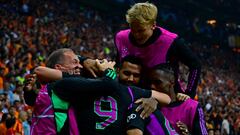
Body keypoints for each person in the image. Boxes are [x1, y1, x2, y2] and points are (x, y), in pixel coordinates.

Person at [34, 59, 171, 135]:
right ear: (117, 71)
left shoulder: (132, 91)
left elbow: (166, 98)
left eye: (136, 76)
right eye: (127, 73)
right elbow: (42, 72)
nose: (130, 78)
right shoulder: (87, 83)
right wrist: (86, 61)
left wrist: (152, 100)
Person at [115, 2, 201, 98]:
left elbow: (195, 64)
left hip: (164, 98)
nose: (136, 35)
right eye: (133, 29)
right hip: (131, 93)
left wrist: (189, 93)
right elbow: (118, 65)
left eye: (141, 30)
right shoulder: (121, 37)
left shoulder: (170, 41)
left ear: (153, 25)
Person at [127, 64, 207, 135]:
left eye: (157, 82)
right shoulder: (145, 105)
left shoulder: (192, 107)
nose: (152, 86)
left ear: (172, 82)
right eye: (150, 83)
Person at [23, 48, 83, 135]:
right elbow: (32, 100)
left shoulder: (80, 86)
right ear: (58, 67)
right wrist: (29, 93)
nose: (80, 66)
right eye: (74, 62)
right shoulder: (45, 89)